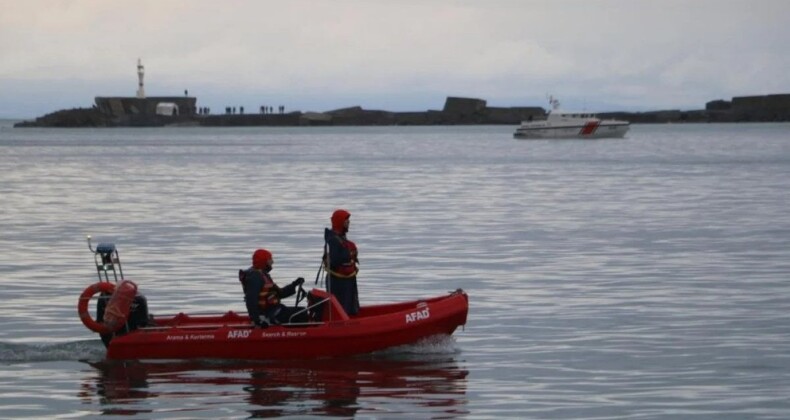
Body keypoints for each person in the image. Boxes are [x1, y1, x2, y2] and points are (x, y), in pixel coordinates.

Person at [240, 248, 306, 327]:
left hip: (273, 310)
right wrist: (257, 320)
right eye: (270, 259)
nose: (272, 262)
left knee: (302, 311)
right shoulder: (255, 277)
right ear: (264, 261)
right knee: (302, 314)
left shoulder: (262, 275)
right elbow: (251, 300)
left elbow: (280, 293)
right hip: (268, 314)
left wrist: (294, 284)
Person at [324, 209, 360, 316]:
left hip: (347, 280)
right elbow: (336, 260)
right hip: (338, 281)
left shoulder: (341, 238)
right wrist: (348, 252)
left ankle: (351, 319)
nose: (348, 223)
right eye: (346, 220)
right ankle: (343, 327)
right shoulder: (334, 240)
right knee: (342, 307)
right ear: (340, 222)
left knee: (349, 306)